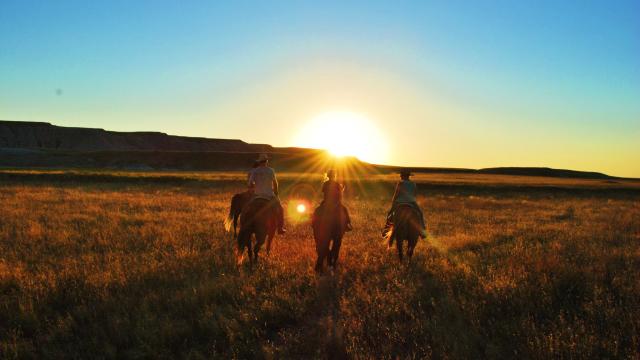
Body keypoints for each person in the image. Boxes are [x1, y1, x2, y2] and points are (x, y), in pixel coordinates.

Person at [247, 154, 286, 234]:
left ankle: (246, 226)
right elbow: (275, 183)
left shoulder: (255, 171)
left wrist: (254, 188)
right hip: (269, 195)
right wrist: (276, 193)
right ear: (266, 161)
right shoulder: (271, 170)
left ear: (259, 162)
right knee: (281, 209)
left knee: (248, 209)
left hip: (257, 196)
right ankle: (280, 228)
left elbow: (250, 183)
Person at [383, 169, 427, 238]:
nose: (400, 176)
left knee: (390, 214)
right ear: (408, 176)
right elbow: (415, 194)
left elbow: (396, 194)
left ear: (403, 176)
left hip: (399, 202)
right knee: (420, 214)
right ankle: (422, 231)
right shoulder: (413, 184)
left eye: (401, 175)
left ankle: (386, 230)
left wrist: (393, 201)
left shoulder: (400, 183)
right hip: (411, 202)